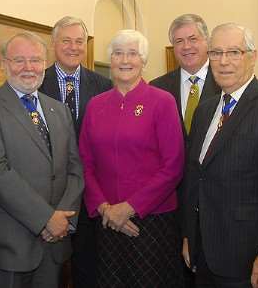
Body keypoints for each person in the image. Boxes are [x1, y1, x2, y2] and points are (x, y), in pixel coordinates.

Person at [182, 23, 258, 288]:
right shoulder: (204, 111)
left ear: (252, 57)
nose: (223, 61)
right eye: (216, 53)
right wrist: (189, 236)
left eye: (234, 52)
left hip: (249, 257)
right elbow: (195, 178)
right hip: (203, 253)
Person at [0, 32, 84, 288]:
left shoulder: (59, 110)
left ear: (46, 63)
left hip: (54, 245)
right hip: (9, 248)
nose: (29, 67)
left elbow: (75, 169)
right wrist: (46, 218)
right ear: (4, 64)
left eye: (36, 60)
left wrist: (62, 220)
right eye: (19, 60)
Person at [79, 29, 185, 287]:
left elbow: (173, 165)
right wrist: (105, 208)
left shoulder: (162, 101)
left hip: (151, 221)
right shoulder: (96, 105)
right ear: (110, 60)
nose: (125, 60)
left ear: (143, 61)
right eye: (118, 54)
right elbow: (84, 162)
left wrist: (129, 208)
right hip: (106, 221)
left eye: (132, 54)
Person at [39, 16, 111, 288]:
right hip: (49, 194)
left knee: (88, 267)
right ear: (53, 44)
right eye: (66, 41)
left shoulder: (103, 85)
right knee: (51, 271)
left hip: (93, 193)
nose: (73, 47)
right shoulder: (37, 81)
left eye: (79, 41)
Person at [150, 14, 220, 137]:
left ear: (207, 42)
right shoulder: (157, 88)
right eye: (179, 41)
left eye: (193, 39)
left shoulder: (225, 82)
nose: (186, 46)